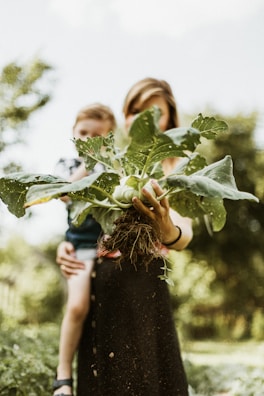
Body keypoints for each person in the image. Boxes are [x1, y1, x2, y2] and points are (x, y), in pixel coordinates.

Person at [57, 78, 193, 395]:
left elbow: (184, 235)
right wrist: (64, 246)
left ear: (170, 119)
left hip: (146, 288)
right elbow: (80, 216)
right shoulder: (110, 160)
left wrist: (167, 229)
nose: (145, 119)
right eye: (136, 110)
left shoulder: (176, 168)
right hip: (102, 287)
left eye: (155, 112)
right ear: (125, 115)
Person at [53, 103, 117, 396]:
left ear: (109, 139)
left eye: (98, 136)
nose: (90, 140)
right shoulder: (67, 165)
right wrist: (90, 163)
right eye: (84, 133)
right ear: (73, 134)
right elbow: (63, 193)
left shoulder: (116, 168)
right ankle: (63, 376)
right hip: (81, 247)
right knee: (78, 305)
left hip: (112, 246)